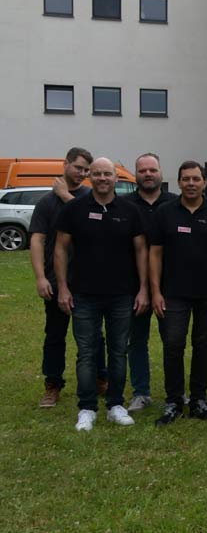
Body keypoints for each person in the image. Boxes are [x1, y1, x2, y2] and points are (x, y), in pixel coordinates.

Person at [54, 157, 149, 431]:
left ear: (116, 179)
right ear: (89, 177)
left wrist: (143, 289)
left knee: (119, 351)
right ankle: (87, 408)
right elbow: (60, 248)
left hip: (122, 294)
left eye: (108, 174)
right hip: (83, 294)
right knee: (86, 352)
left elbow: (142, 250)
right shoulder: (74, 209)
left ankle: (115, 404)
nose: (103, 178)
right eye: (97, 174)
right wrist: (62, 287)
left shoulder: (130, 211)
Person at [147, 160, 207, 425]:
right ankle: (173, 401)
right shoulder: (164, 212)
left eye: (196, 179)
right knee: (173, 344)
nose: (191, 184)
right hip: (173, 293)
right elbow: (155, 254)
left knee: (203, 346)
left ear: (205, 182)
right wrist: (156, 291)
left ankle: (198, 399)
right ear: (179, 182)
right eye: (186, 179)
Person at [30, 147, 105, 408]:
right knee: (55, 335)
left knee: (95, 335)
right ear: (66, 164)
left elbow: (96, 224)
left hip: (88, 279)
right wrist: (41, 278)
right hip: (55, 280)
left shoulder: (90, 196)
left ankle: (100, 378)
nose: (82, 174)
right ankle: (52, 385)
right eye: (79, 168)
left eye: (87, 170)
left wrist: (65, 195)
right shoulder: (45, 203)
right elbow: (38, 240)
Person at [122, 152, 178, 413]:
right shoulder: (124, 205)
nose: (147, 174)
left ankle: (175, 393)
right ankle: (141, 392)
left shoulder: (175, 203)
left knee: (173, 341)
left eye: (152, 170)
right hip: (133, 285)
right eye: (142, 170)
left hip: (172, 286)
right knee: (137, 340)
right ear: (136, 174)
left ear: (160, 173)